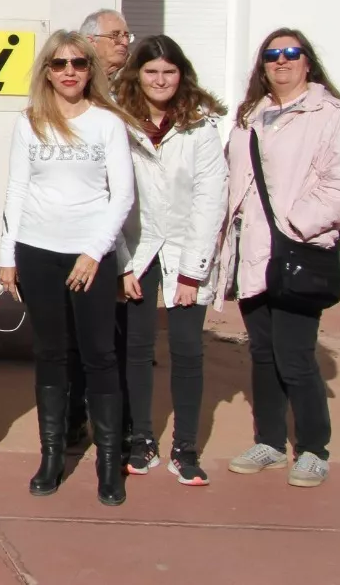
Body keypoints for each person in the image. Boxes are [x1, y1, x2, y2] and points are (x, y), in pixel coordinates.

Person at [219, 29, 340, 488]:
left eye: (290, 53)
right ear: (262, 66)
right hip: (253, 256)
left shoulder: (331, 116)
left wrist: (295, 225)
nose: (281, 61)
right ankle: (269, 442)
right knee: (262, 354)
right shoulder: (250, 117)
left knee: (295, 355)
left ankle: (313, 450)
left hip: (299, 251)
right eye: (272, 55)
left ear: (307, 62)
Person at [0, 31, 136, 505]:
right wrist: (6, 253)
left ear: (90, 70)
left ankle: (108, 464)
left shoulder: (107, 124)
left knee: (99, 355)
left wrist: (95, 252)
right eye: (59, 64)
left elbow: (123, 195)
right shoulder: (31, 122)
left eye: (78, 62)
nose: (70, 71)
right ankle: (52, 456)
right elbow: (15, 189)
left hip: (89, 257)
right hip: (38, 251)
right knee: (51, 354)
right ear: (47, 72)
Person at [112, 35, 228, 486]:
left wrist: (192, 271)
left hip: (186, 252)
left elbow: (210, 200)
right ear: (137, 75)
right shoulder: (117, 122)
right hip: (137, 251)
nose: (160, 80)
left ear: (182, 76)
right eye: (151, 71)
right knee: (136, 350)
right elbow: (113, 197)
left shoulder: (200, 128)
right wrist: (123, 264)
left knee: (187, 351)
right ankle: (141, 442)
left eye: (169, 72)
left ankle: (186, 448)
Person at [66, 8, 134, 444]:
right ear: (90, 42)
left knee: (118, 339)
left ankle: (120, 426)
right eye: (115, 35)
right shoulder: (73, 96)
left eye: (127, 34)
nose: (124, 42)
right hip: (75, 235)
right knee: (72, 336)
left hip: (123, 233)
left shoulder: (134, 91)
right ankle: (73, 417)